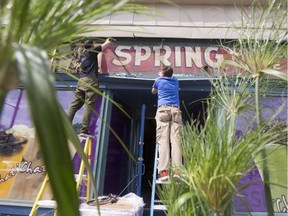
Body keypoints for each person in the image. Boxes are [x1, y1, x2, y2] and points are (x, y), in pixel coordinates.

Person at [67, 38, 111, 136]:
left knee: (74, 105)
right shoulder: (92, 51)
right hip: (91, 80)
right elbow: (105, 46)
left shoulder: (83, 55)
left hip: (81, 80)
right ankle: (83, 130)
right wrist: (108, 40)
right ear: (92, 45)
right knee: (89, 105)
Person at [151, 65, 183, 181]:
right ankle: (177, 172)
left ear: (162, 73)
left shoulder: (158, 80)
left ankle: (164, 172)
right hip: (175, 111)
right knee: (176, 142)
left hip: (163, 110)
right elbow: (170, 76)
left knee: (163, 141)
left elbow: (153, 92)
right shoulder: (176, 81)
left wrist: (159, 76)